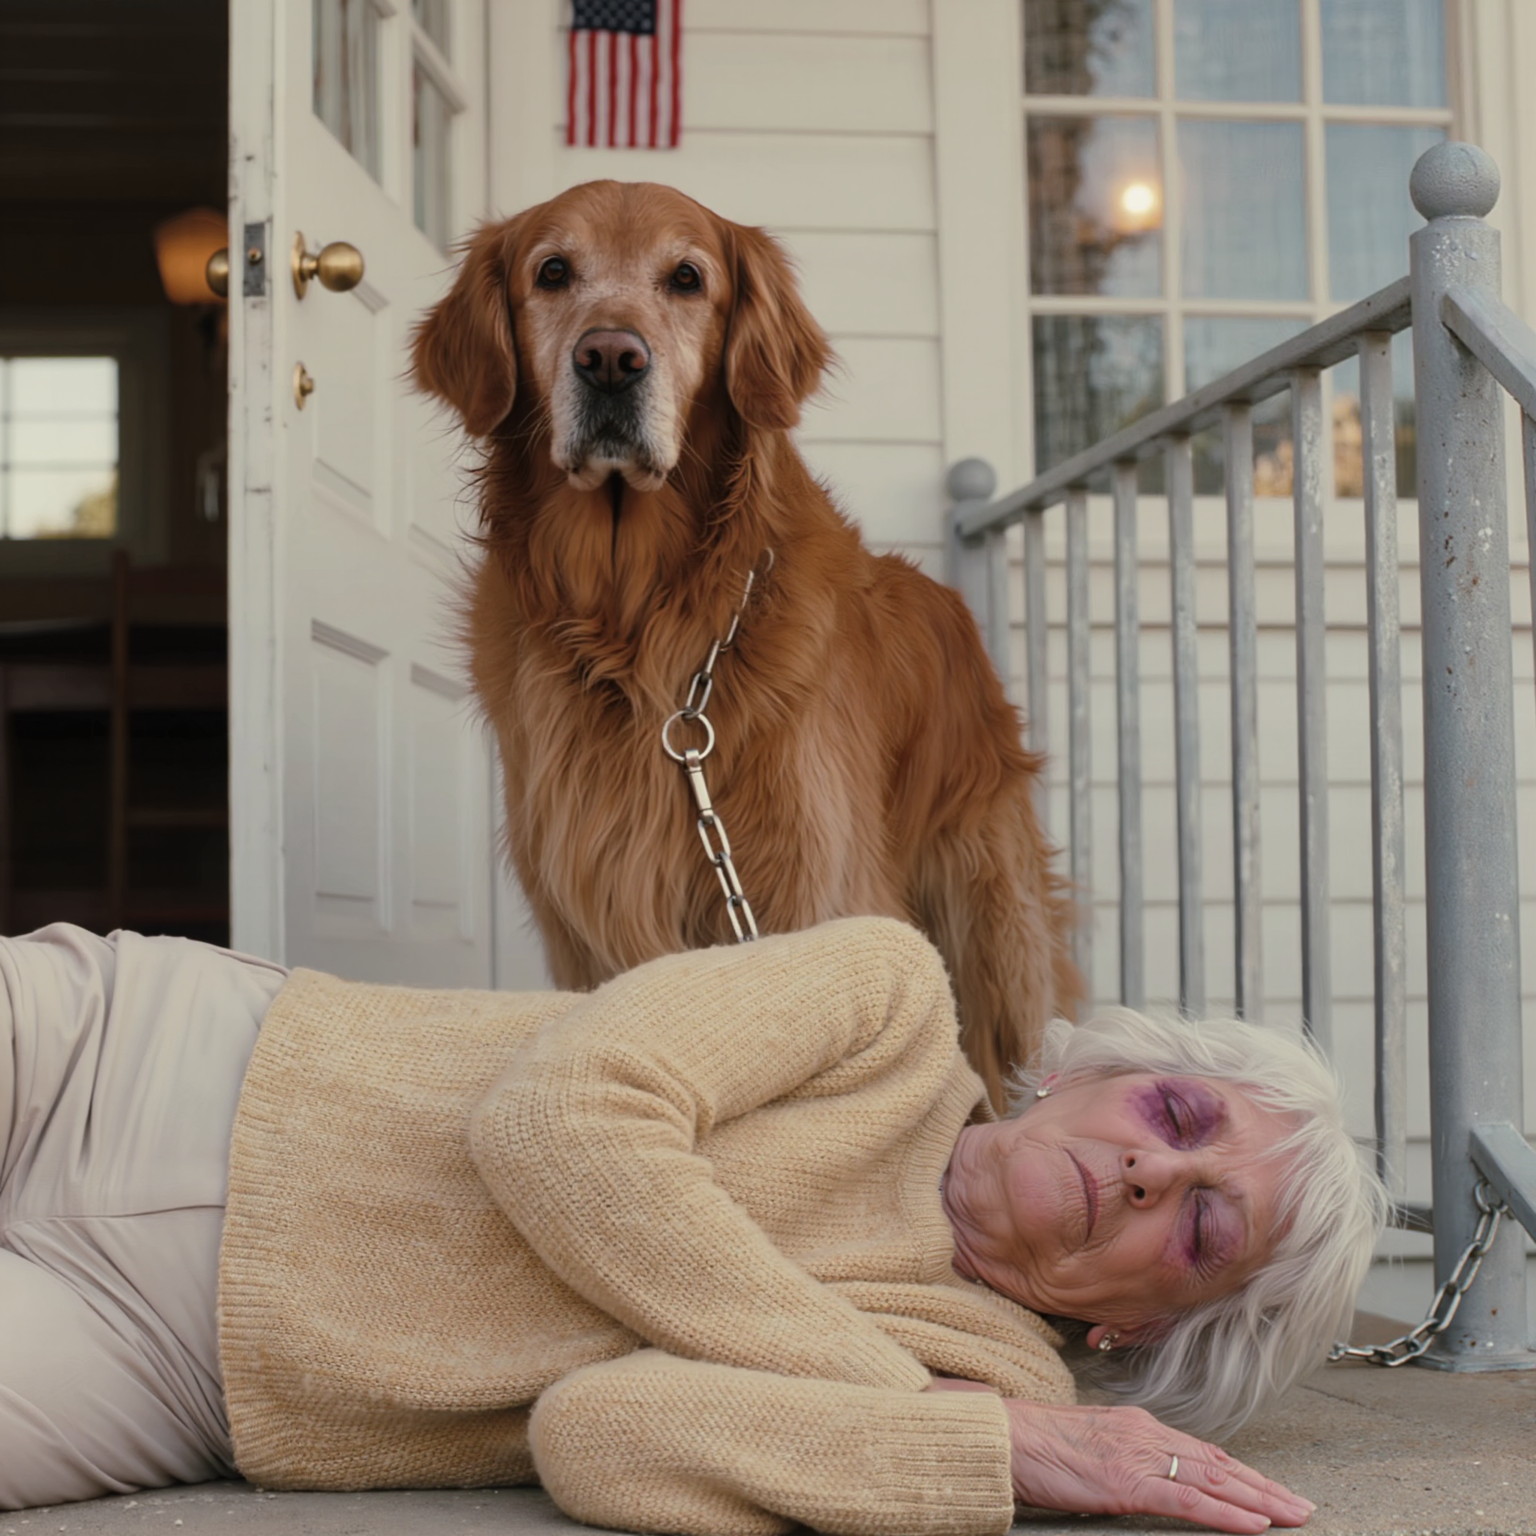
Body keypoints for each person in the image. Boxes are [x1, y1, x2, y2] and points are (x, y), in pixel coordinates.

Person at [0, 916, 1387, 1534]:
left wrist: (982, 1444)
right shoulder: (890, 1005)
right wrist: (903, 1403)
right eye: (1176, 1116)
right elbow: (562, 1116)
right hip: (145, 1058)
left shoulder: (987, 1383)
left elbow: (602, 1434)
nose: (1151, 1174)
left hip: (176, 1363)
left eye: (1202, 1230)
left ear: (1143, 1328)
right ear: (1091, 1072)